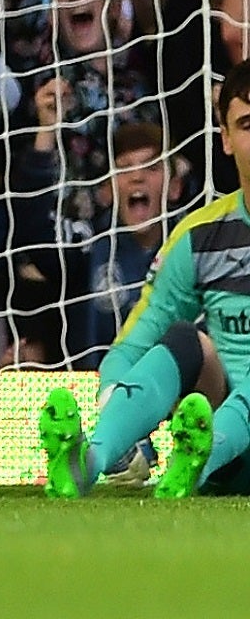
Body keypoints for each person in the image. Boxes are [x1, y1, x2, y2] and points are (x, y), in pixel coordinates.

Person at [41, 61, 250, 500]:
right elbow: (134, 344)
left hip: (227, 442)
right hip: (234, 459)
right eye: (247, 124)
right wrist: (116, 404)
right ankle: (89, 461)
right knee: (182, 337)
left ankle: (200, 458)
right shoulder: (199, 236)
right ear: (226, 140)